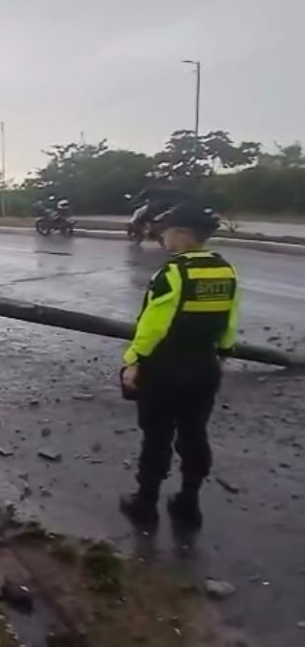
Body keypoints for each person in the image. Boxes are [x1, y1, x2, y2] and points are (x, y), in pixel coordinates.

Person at [118, 205, 239, 530]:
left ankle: (145, 504)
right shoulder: (225, 270)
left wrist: (134, 361)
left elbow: (153, 325)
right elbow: (229, 321)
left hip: (165, 368)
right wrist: (222, 355)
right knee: (194, 434)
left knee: (157, 437)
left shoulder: (173, 273)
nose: (162, 237)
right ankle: (189, 503)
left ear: (183, 234)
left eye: (166, 231)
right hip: (204, 365)